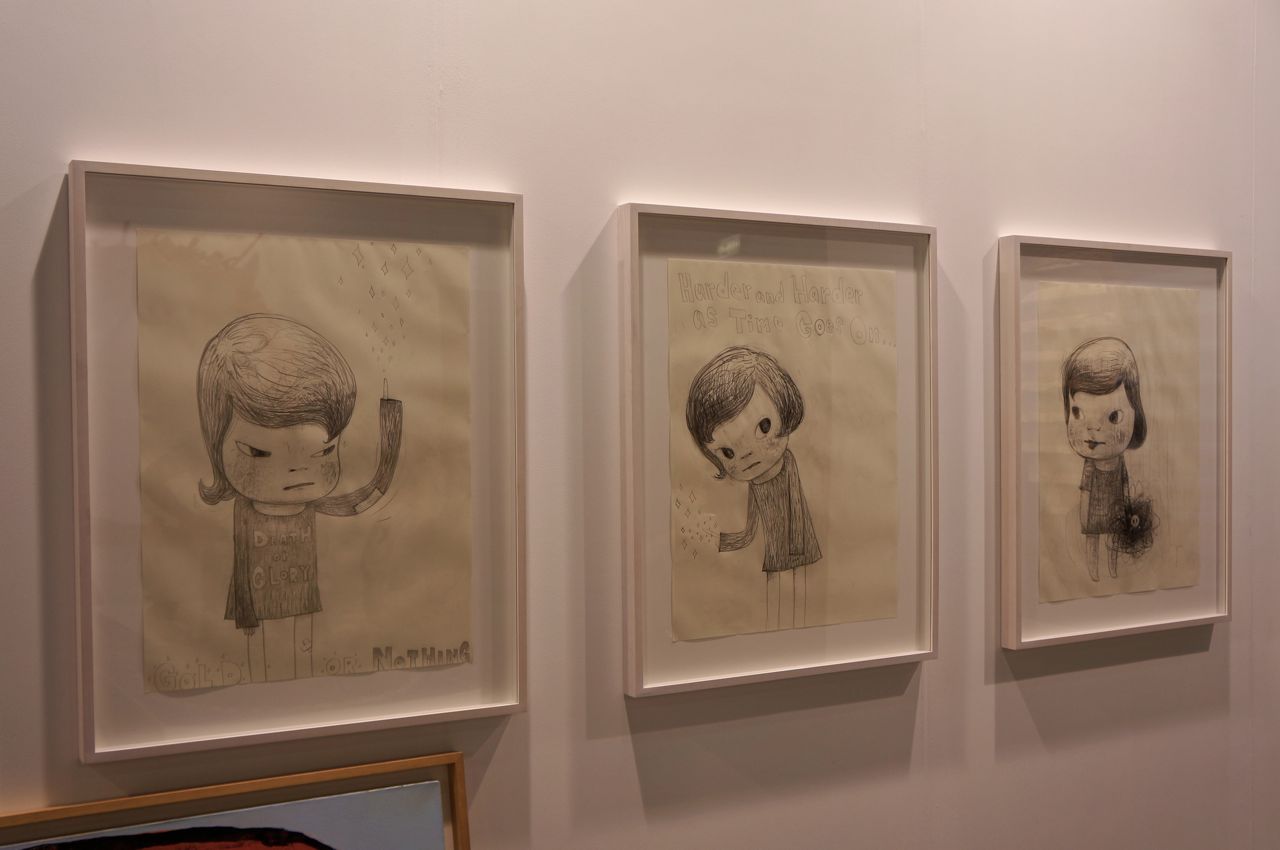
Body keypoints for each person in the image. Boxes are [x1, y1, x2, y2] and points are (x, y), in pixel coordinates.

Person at [197, 314, 402, 682]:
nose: (297, 470)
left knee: (303, 653)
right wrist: (245, 609)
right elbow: (241, 564)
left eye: (323, 452)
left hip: (303, 601)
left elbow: (368, 493)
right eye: (258, 453)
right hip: (255, 609)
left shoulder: (313, 506)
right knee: (257, 661)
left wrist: (390, 436)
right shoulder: (246, 511)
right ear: (216, 445)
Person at [685, 346, 821, 629]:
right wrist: (731, 540)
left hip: (797, 550)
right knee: (777, 604)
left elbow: (797, 507)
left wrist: (797, 547)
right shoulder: (757, 481)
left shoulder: (786, 465)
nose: (746, 456)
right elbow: (754, 520)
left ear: (785, 406)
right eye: (728, 452)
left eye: (763, 426)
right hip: (775, 553)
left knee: (801, 602)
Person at [1061, 336, 1148, 581]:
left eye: (1113, 417)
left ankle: (1112, 571)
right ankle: (1093, 575)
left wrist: (1126, 508)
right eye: (1077, 412)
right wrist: (1084, 517)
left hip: (1115, 512)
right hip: (1092, 514)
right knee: (1093, 542)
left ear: (1136, 416)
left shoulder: (1119, 463)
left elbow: (1124, 486)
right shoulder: (1090, 465)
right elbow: (1086, 490)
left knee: (1113, 541)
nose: (1093, 429)